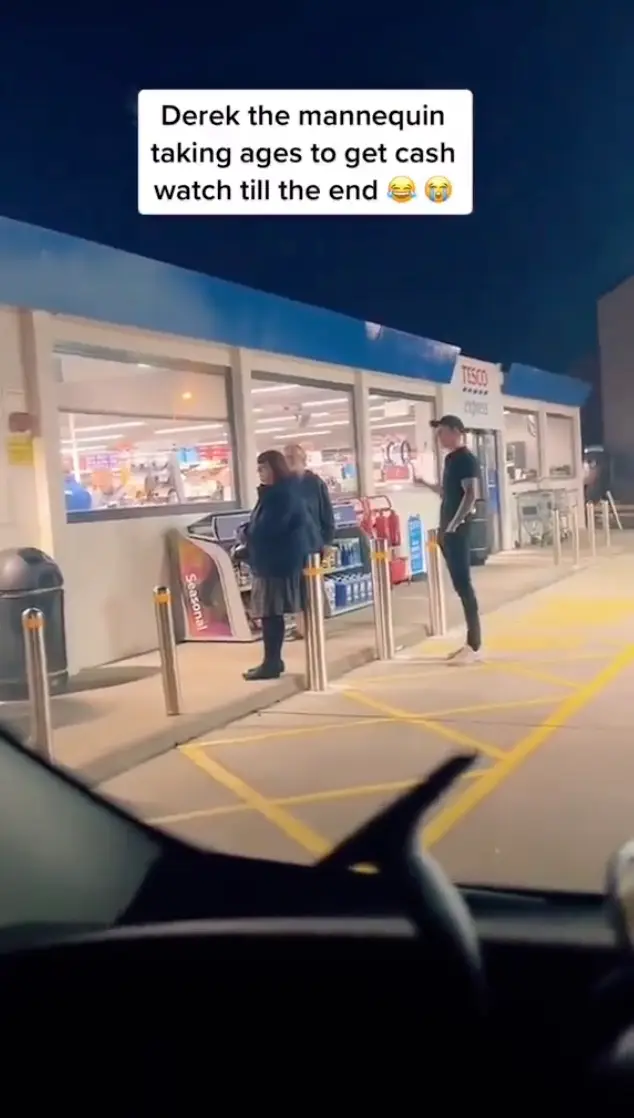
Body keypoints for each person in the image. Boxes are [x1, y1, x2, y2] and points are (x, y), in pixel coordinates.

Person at [243, 449, 309, 681]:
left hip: (276, 563)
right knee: (269, 613)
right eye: (258, 469)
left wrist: (247, 535)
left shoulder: (282, 495)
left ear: (276, 468)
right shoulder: (272, 494)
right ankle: (272, 660)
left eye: (264, 468)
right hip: (269, 561)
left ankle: (272, 662)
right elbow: (260, 525)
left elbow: (269, 528)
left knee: (271, 613)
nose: (260, 473)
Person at [421, 415, 482, 665]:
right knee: (459, 586)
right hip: (447, 531)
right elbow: (448, 493)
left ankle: (474, 644)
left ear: (457, 432)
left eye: (443, 432)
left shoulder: (467, 460)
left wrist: (455, 525)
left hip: (456, 531)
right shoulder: (450, 460)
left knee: (464, 585)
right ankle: (471, 643)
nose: (439, 437)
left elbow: (470, 495)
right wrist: (425, 484)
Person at [284, 443, 335, 639]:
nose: (288, 460)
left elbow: (326, 513)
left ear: (302, 459)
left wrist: (328, 541)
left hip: (313, 542)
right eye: (286, 457)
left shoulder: (314, 483)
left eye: (292, 457)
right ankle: (301, 627)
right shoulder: (282, 484)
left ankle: (315, 625)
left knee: (312, 585)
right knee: (296, 588)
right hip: (291, 545)